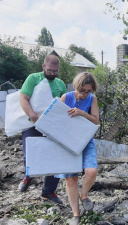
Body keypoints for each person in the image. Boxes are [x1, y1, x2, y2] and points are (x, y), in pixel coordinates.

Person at [19, 54, 67, 204]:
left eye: (55, 71)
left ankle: (48, 192)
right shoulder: (33, 78)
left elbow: (64, 106)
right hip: (32, 123)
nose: (53, 74)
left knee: (54, 158)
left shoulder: (60, 84)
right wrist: (34, 116)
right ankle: (28, 176)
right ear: (43, 67)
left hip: (52, 127)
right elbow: (23, 98)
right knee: (30, 155)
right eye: (50, 71)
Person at [55, 72, 99, 225]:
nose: (84, 94)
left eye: (88, 91)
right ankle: (76, 214)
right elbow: (55, 120)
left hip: (85, 141)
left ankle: (84, 196)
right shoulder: (66, 98)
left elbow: (95, 121)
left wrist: (81, 113)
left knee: (91, 171)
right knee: (71, 178)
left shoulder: (92, 99)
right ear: (76, 87)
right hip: (67, 142)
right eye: (82, 91)